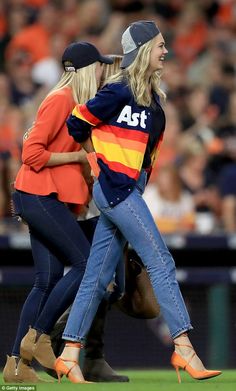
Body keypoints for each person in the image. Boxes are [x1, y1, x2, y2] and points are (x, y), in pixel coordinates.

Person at [54, 21, 222, 384]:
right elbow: (76, 122)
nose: (166, 51)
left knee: (97, 278)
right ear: (145, 49)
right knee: (161, 260)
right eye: (161, 45)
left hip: (126, 191)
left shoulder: (154, 101)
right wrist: (95, 161)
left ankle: (69, 353)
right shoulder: (117, 90)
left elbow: (149, 156)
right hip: (117, 191)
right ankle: (184, 347)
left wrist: (136, 178)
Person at [3, 41, 128, 383]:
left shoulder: (76, 104)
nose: (102, 70)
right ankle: (40, 337)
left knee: (46, 281)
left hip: (39, 195)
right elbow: (32, 154)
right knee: (88, 265)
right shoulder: (61, 100)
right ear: (88, 69)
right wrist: (78, 157)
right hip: (38, 194)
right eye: (99, 66)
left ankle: (15, 366)